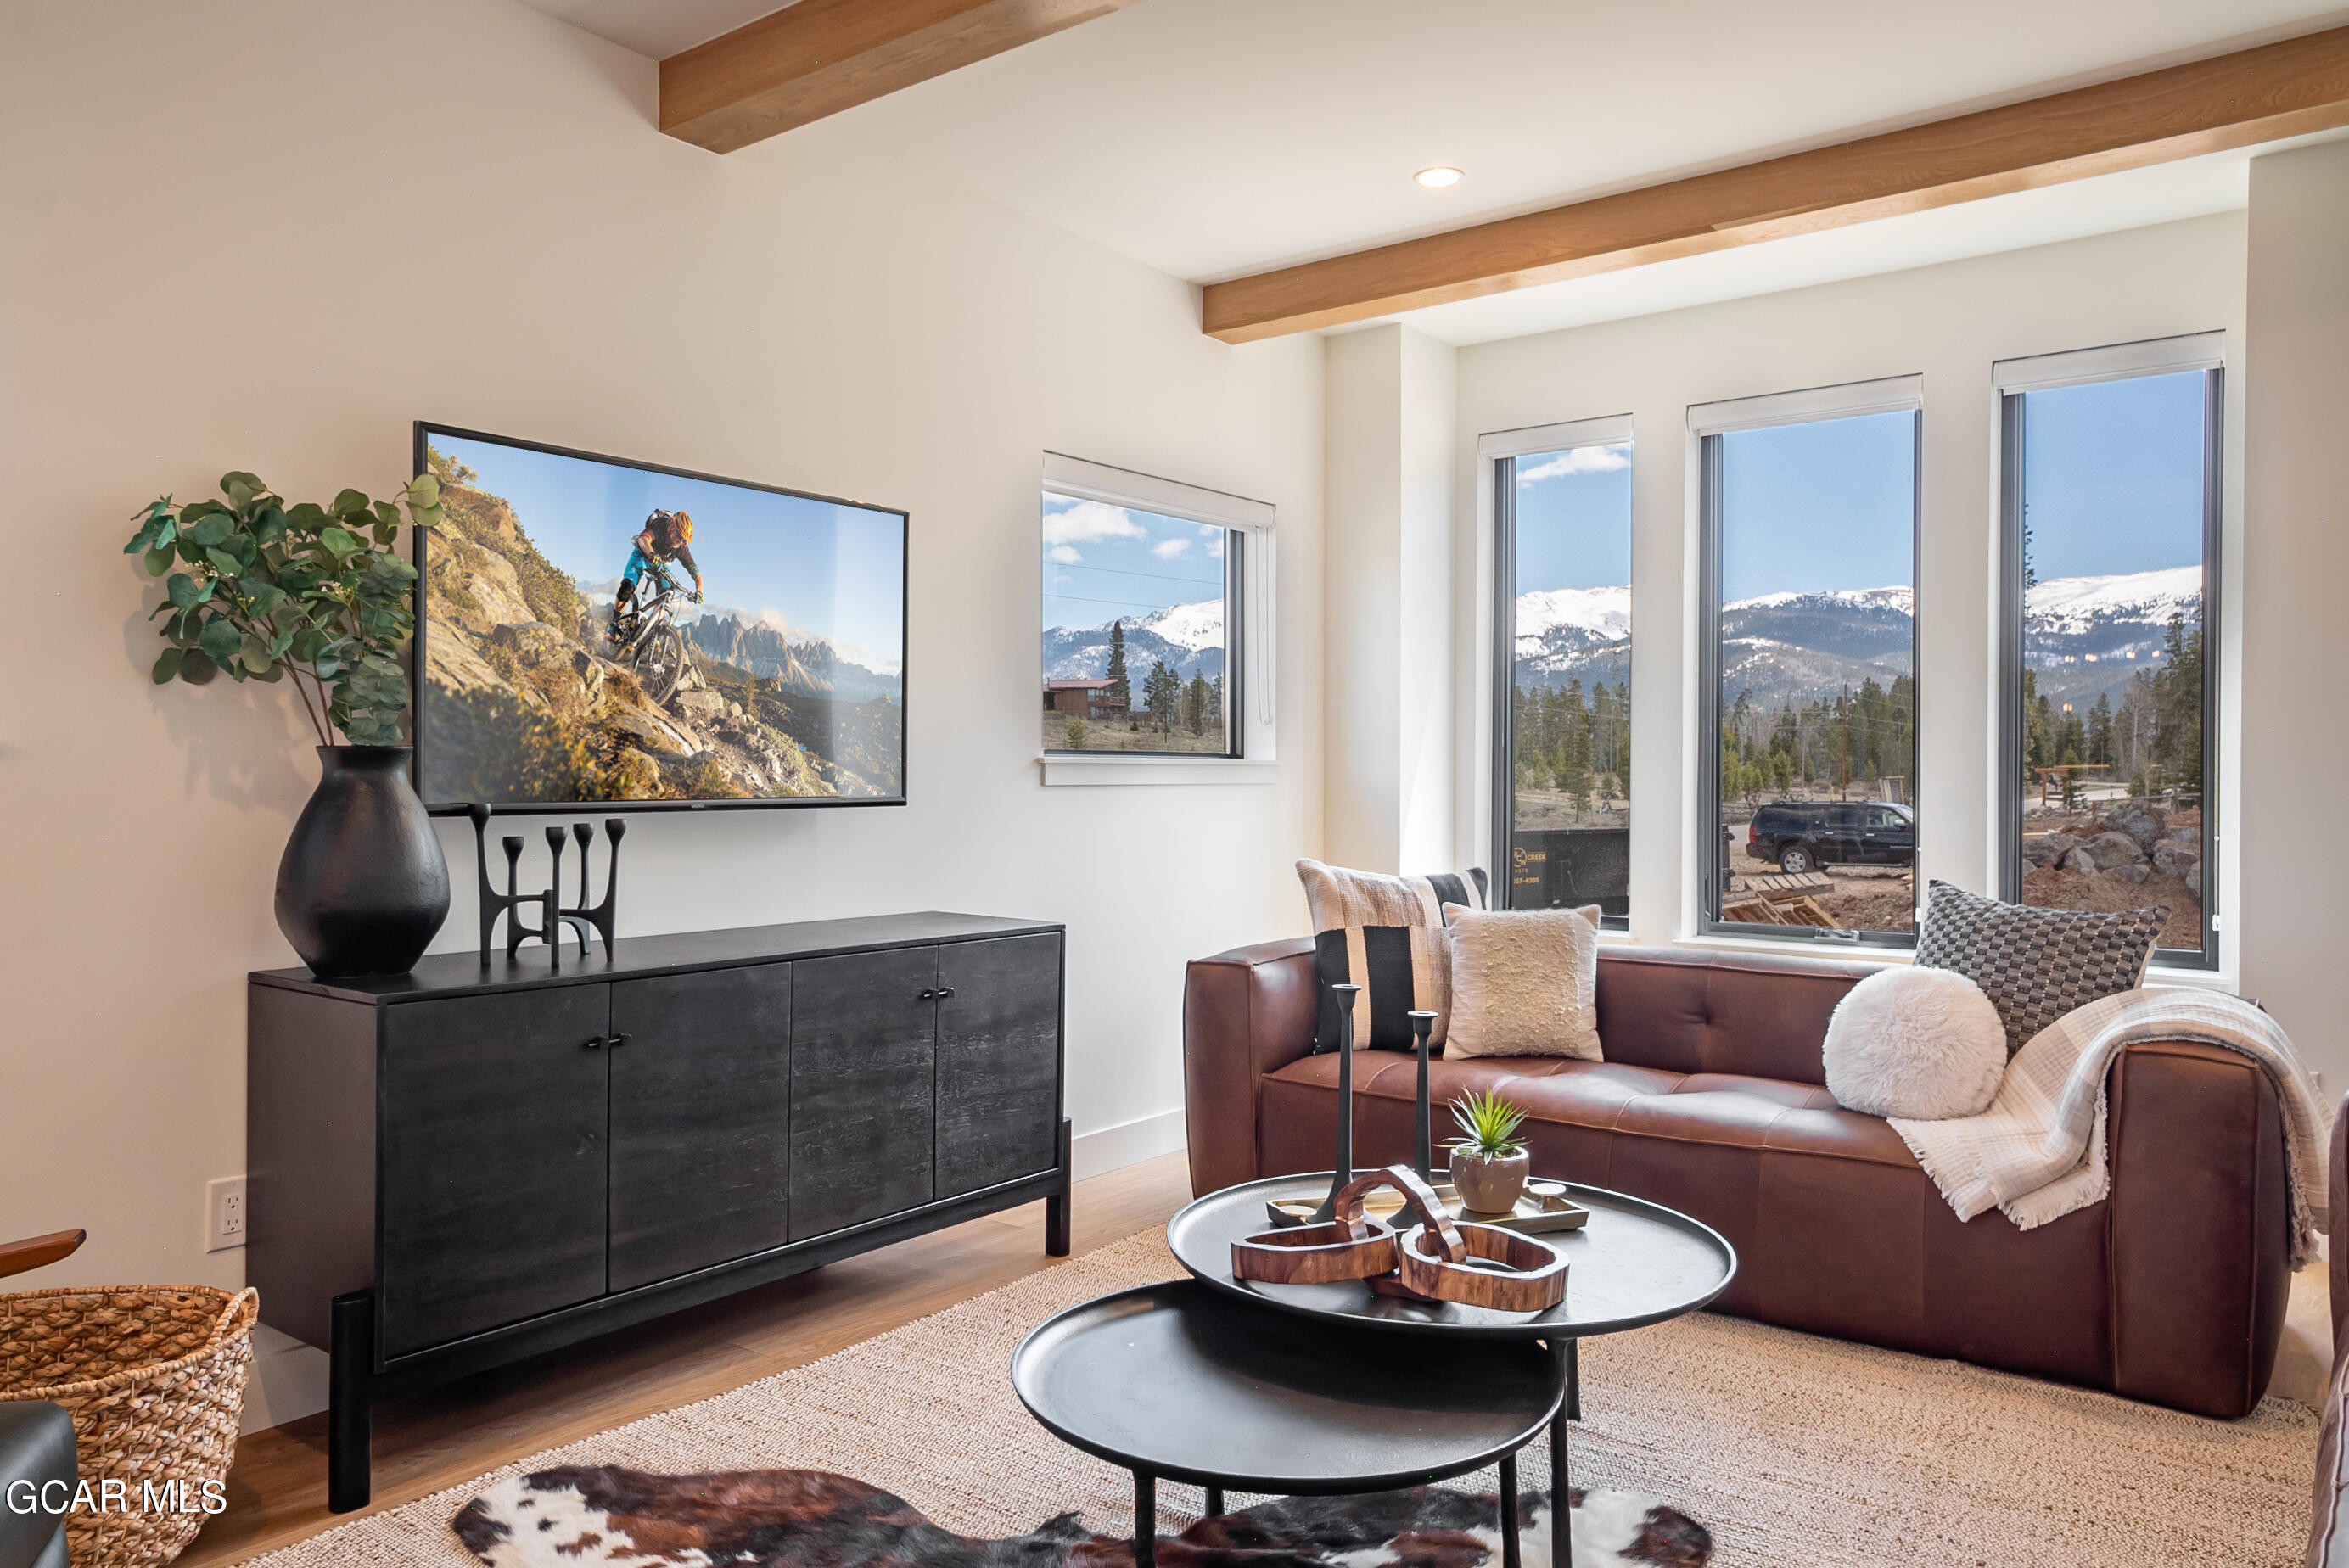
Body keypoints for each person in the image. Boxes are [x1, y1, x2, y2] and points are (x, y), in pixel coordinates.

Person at [609, 508, 704, 644]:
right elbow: (643, 539)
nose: (682, 542)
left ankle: (646, 632)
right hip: (644, 553)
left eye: (685, 540)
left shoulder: (682, 548)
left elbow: (697, 574)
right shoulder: (660, 526)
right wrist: (651, 554)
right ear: (671, 529)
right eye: (680, 537)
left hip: (662, 565)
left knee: (667, 594)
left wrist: (699, 591)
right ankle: (613, 622)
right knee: (628, 586)